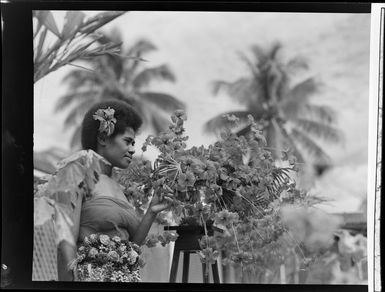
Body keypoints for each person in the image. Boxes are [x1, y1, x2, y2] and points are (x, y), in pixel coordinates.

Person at [43, 100, 172, 281]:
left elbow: (132, 247)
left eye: (134, 143)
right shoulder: (76, 174)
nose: (133, 149)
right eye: (127, 141)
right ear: (103, 138)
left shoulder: (119, 187)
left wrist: (151, 211)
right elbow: (66, 241)